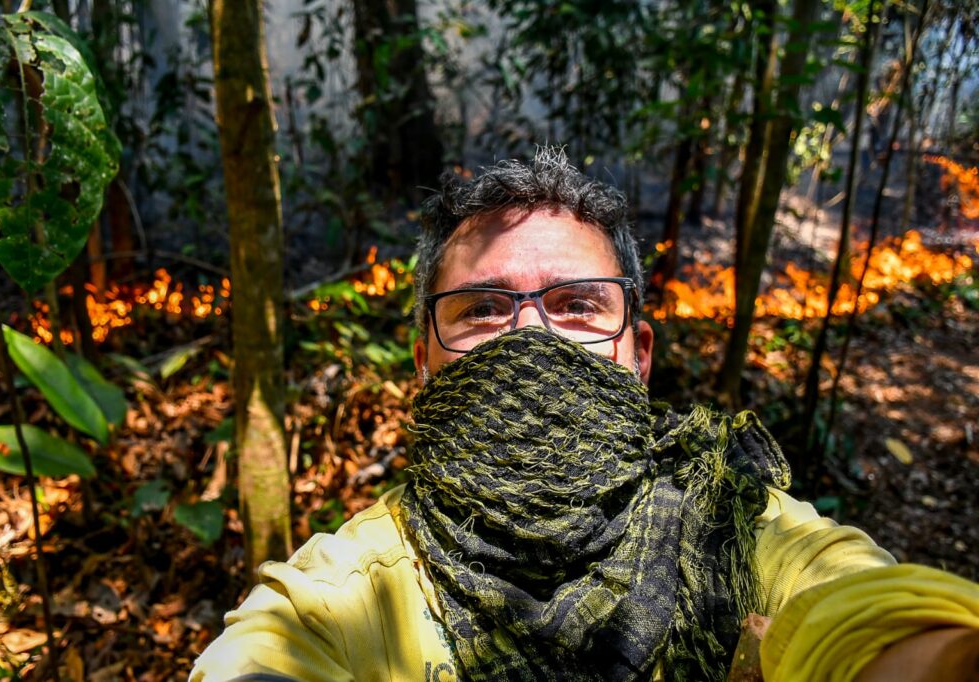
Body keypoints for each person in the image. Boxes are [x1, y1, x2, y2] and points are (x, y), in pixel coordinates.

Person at [191, 148, 979, 681]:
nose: (530, 334)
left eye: (575, 306)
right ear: (426, 359)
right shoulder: (351, 591)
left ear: (638, 353)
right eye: (482, 310)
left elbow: (863, 617)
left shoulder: (740, 529)